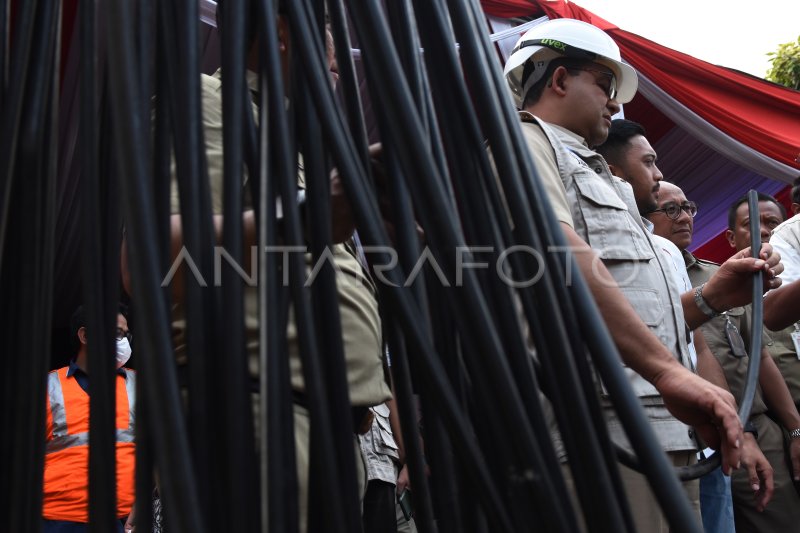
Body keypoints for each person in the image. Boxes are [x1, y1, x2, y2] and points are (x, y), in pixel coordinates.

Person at [120, 2, 393, 531]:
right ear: (285, 35)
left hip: (327, 437)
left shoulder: (292, 139)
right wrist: (304, 219)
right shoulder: (210, 104)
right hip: (256, 422)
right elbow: (151, 262)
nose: (338, 82)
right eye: (335, 67)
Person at [502, 18, 782, 532]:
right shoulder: (526, 140)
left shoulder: (601, 178)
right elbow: (559, 253)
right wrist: (667, 372)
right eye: (606, 86)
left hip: (664, 430)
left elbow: (635, 312)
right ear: (560, 80)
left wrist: (715, 296)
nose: (615, 104)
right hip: (604, 428)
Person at [649, 183, 800, 531]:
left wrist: (793, 431)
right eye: (670, 209)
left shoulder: (724, 275)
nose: (684, 216)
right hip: (688, 434)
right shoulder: (645, 277)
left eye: (687, 207)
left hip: (758, 429)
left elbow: (759, 356)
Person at [43, 305, 136, 532]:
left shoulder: (139, 386)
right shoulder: (47, 387)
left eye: (126, 335)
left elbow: (162, 451)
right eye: (116, 333)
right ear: (84, 335)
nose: (123, 342)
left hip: (125, 519)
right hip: (58, 520)